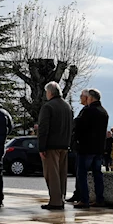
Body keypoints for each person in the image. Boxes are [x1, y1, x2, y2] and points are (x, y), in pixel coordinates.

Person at [38, 81, 73, 210]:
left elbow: (43, 128)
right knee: (62, 174)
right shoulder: (67, 106)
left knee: (51, 174)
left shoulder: (48, 107)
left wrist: (41, 147)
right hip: (64, 145)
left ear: (50, 92)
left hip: (51, 146)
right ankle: (61, 198)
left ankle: (55, 201)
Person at [73, 88, 109, 209]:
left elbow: (79, 127)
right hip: (98, 149)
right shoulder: (104, 112)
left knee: (82, 174)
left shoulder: (88, 111)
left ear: (91, 98)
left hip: (86, 147)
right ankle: (100, 199)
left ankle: (84, 199)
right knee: (97, 174)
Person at [66, 89, 89, 203]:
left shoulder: (87, 111)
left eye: (81, 96)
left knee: (81, 172)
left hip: (83, 147)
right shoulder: (84, 110)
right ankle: (77, 193)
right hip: (80, 147)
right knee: (78, 172)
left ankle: (81, 196)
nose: (80, 98)